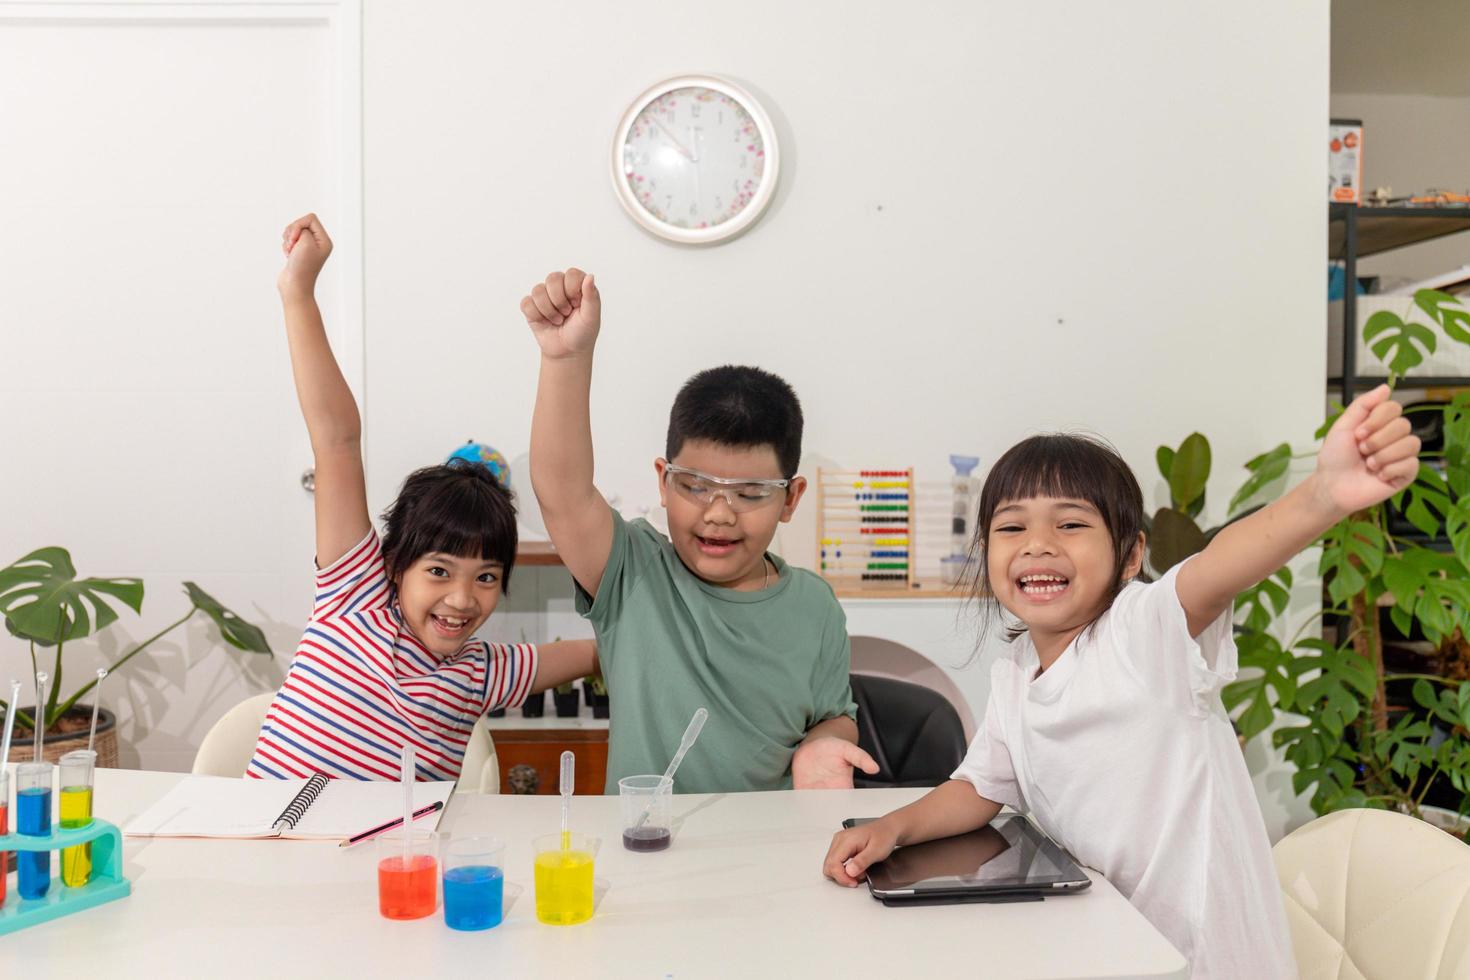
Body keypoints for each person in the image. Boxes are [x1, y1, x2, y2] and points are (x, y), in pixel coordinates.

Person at [823, 386, 1420, 978]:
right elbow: (981, 787)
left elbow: (1214, 571)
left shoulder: (1138, 634)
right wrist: (891, 828)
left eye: (1071, 524)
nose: (1037, 545)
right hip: (1107, 941)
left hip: (1203, 957)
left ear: (1131, 557)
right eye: (1011, 529)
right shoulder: (1014, 674)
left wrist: (1322, 495)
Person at [247, 215, 596, 781]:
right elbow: (336, 439)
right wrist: (299, 293)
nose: (462, 599)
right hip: (272, 849)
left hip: (390, 868)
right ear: (394, 566)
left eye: (486, 577)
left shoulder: (480, 672)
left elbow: (595, 652)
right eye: (439, 570)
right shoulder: (353, 598)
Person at [519, 267, 877, 793]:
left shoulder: (814, 605)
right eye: (696, 486)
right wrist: (565, 359)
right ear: (663, 482)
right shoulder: (634, 575)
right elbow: (562, 490)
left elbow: (833, 713)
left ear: (790, 499)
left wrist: (824, 744)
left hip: (770, 850)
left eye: (751, 493)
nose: (719, 513)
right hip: (649, 849)